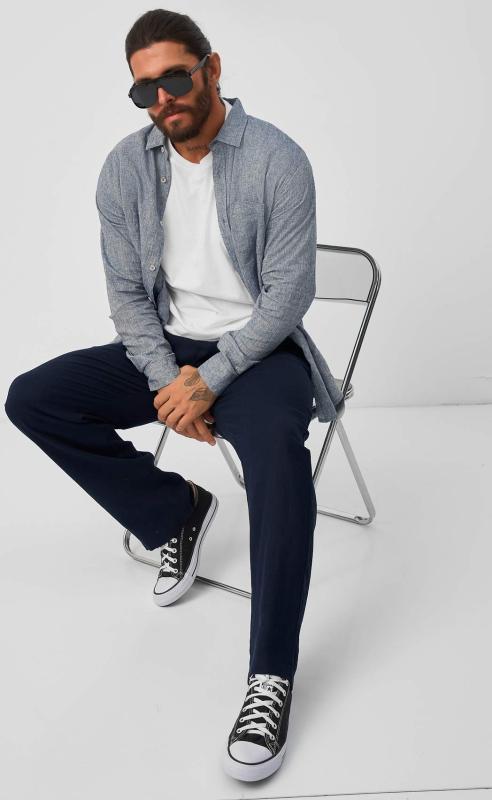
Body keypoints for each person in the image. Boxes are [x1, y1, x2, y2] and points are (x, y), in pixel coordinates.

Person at [4, 8, 343, 783]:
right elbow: (128, 298)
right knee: (34, 398)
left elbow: (289, 297)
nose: (163, 99)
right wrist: (168, 383)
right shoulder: (124, 169)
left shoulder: (278, 159)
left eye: (176, 79)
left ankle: (270, 674)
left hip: (260, 352)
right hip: (167, 350)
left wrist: (209, 380)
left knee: (276, 457)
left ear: (212, 69)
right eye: (144, 89)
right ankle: (175, 513)